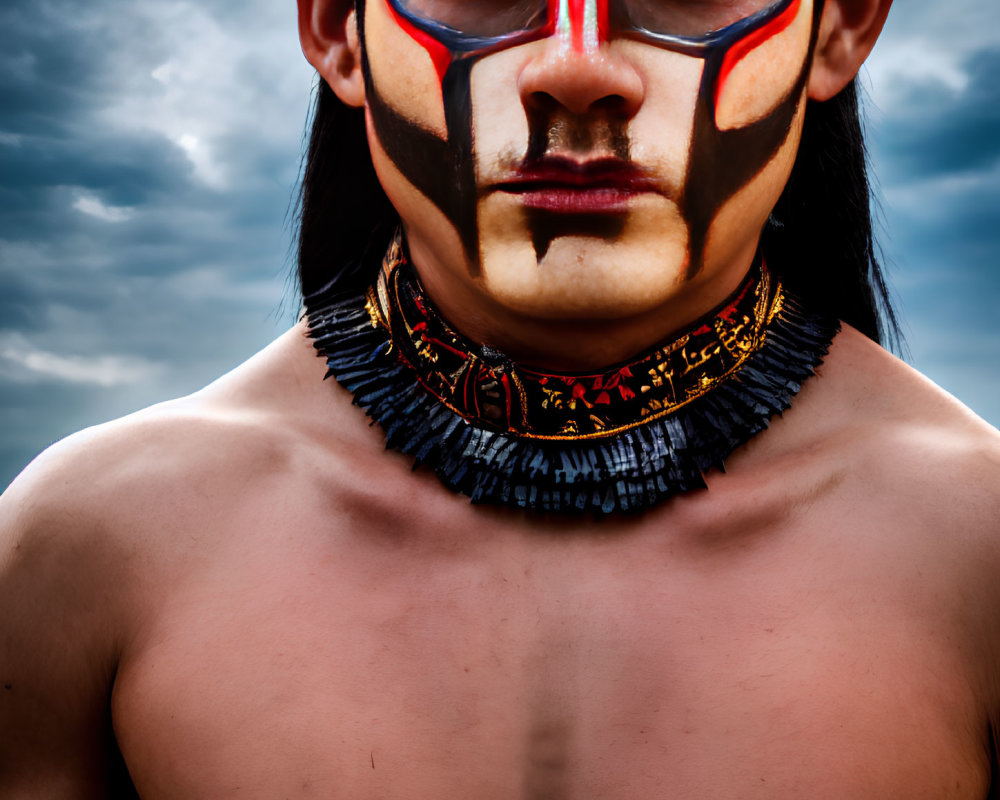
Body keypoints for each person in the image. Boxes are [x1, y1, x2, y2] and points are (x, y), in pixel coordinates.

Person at [2, 0, 999, 796]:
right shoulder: (91, 552)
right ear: (334, 28)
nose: (574, 66)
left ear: (842, 26)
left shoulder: (975, 559)